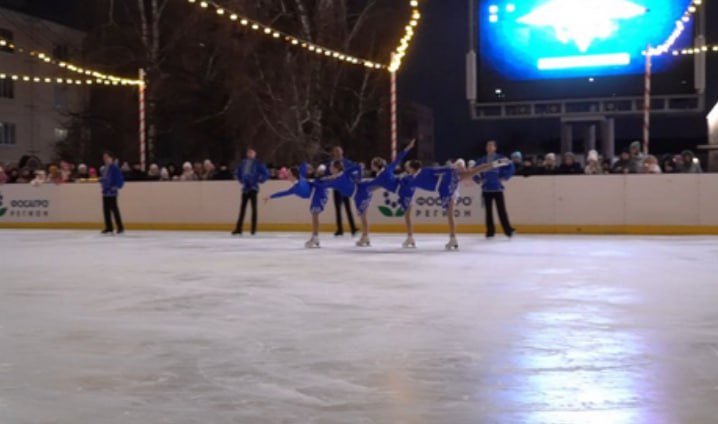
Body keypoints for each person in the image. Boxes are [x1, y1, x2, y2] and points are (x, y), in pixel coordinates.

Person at [398, 157, 510, 250]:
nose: (406, 169)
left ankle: (453, 239)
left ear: (412, 168)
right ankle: (495, 164)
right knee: (473, 171)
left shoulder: (421, 173)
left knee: (450, 213)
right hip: (447, 182)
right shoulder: (413, 176)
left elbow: (438, 170)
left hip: (445, 185)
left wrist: (451, 168)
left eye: (407, 167)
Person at [353, 140, 415, 247]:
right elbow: (398, 158)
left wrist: (357, 180)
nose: (371, 166)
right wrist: (408, 148)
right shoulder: (388, 168)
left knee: (407, 216)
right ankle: (410, 238)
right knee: (407, 215)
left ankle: (410, 238)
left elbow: (370, 185)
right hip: (406, 185)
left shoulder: (380, 178)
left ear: (375, 166)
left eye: (372, 164)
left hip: (403, 190)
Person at [475, 140, 515, 240]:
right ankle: (490, 232)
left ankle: (508, 231)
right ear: (486, 148)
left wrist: (505, 177)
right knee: (488, 212)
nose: (489, 147)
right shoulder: (482, 160)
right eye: (488, 145)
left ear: (495, 148)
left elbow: (511, 166)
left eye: (491, 145)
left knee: (501, 210)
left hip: (497, 189)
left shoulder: (499, 159)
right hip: (486, 189)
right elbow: (473, 171)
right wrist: (479, 181)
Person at [232, 148, 269, 236]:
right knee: (242, 209)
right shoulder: (243, 163)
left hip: (253, 188)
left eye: (252, 153)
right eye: (249, 153)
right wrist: (240, 180)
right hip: (245, 188)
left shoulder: (258, 163)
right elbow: (237, 172)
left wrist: (260, 180)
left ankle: (253, 229)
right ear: (247, 154)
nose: (250, 154)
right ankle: (238, 228)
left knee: (254, 209)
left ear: (254, 154)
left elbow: (265, 173)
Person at [327, 146, 358, 236]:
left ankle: (353, 228)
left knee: (348, 208)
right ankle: (340, 229)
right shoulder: (331, 163)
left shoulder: (346, 162)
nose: (337, 153)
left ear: (342, 152)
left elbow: (353, 169)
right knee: (338, 209)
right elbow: (328, 173)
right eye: (335, 152)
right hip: (336, 188)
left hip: (345, 188)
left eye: (338, 152)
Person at [100, 151, 125, 234]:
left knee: (114, 209)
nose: (105, 159)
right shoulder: (105, 168)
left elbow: (119, 178)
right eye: (104, 158)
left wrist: (116, 186)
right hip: (105, 192)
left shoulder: (114, 168)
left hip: (112, 192)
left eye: (107, 157)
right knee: (106, 210)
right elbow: (104, 178)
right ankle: (109, 227)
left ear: (111, 158)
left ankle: (120, 227)